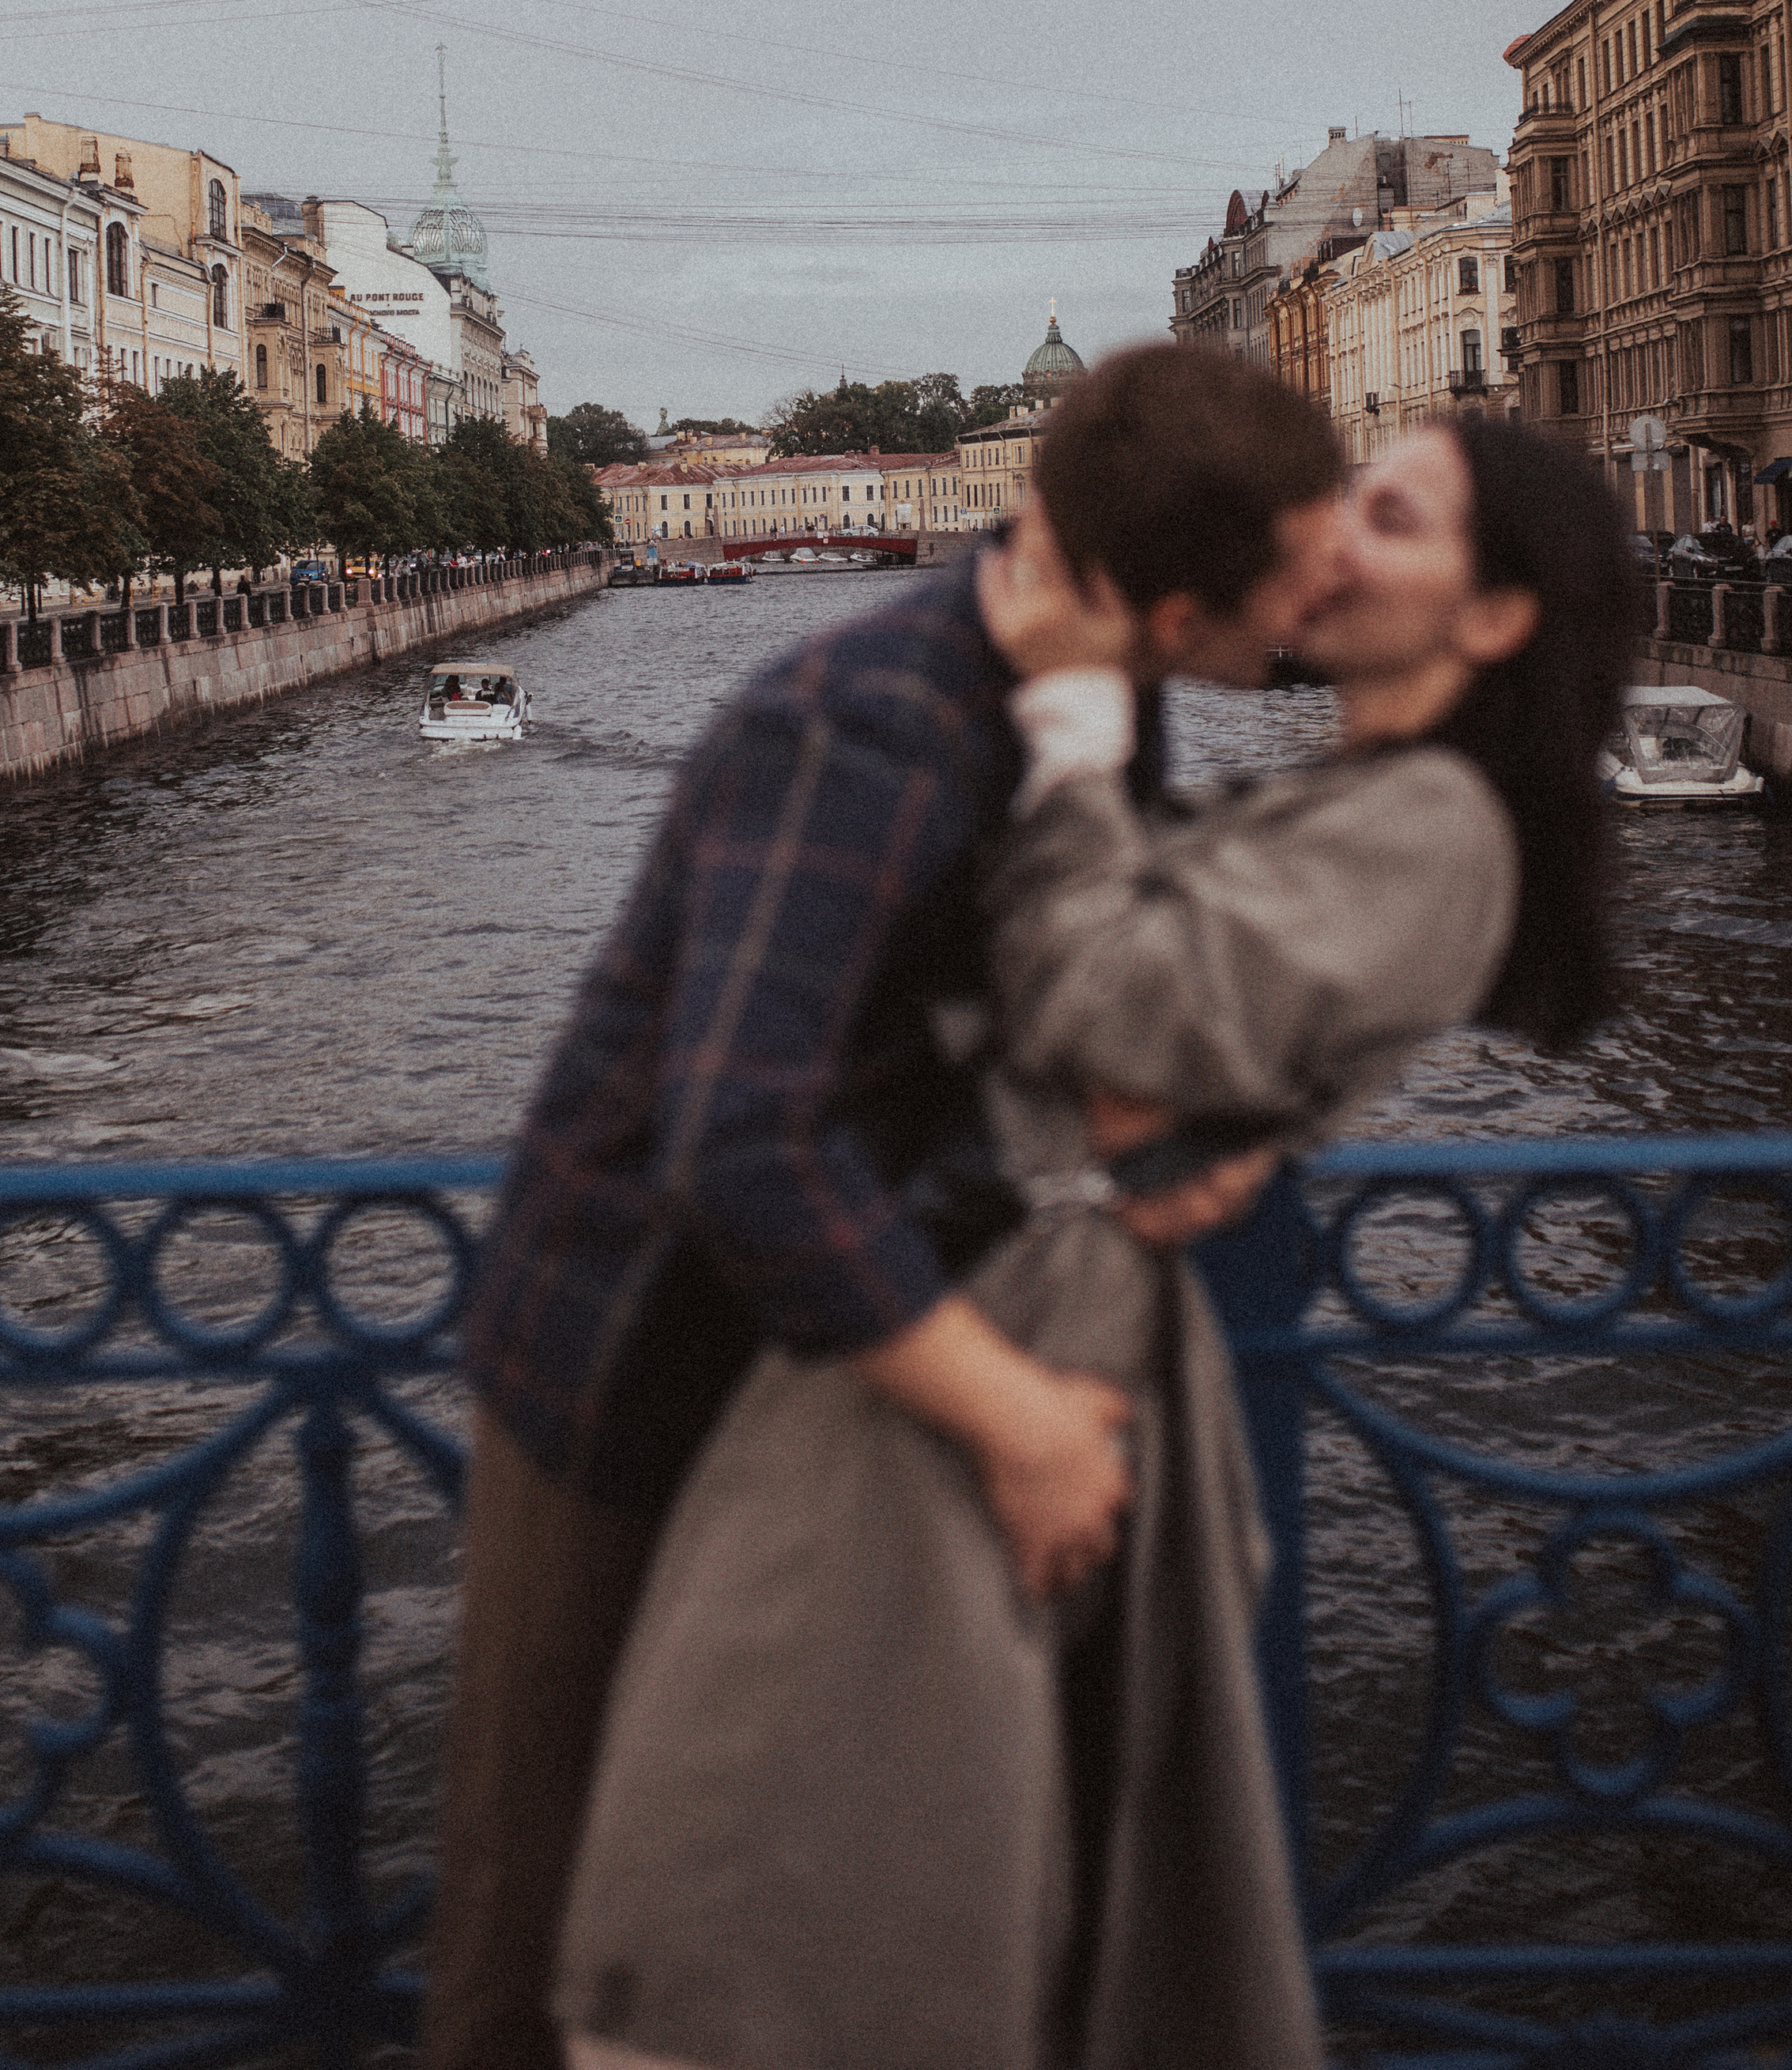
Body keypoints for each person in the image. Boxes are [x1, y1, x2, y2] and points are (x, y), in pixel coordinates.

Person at [552, 413, 1637, 2070]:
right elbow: (1129, 1049)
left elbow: (1099, 1001)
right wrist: (1193, 1096)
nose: (1329, 540)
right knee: (908, 1821)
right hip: (1006, 1319)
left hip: (1019, 1337)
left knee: (821, 1825)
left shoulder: (1432, 824)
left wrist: (1067, 728)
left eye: (1390, 518)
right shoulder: (1360, 791)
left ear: (1492, 616)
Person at [420, 347, 1349, 2070]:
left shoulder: (1097, 704)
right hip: (632, 1372)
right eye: (1290, 576)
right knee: (547, 1925)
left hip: (842, 1372)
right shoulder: (862, 726)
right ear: (1159, 597)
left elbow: (1067, 1007)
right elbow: (743, 1142)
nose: (1324, 598)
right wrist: (1019, 1422)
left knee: (811, 1892)